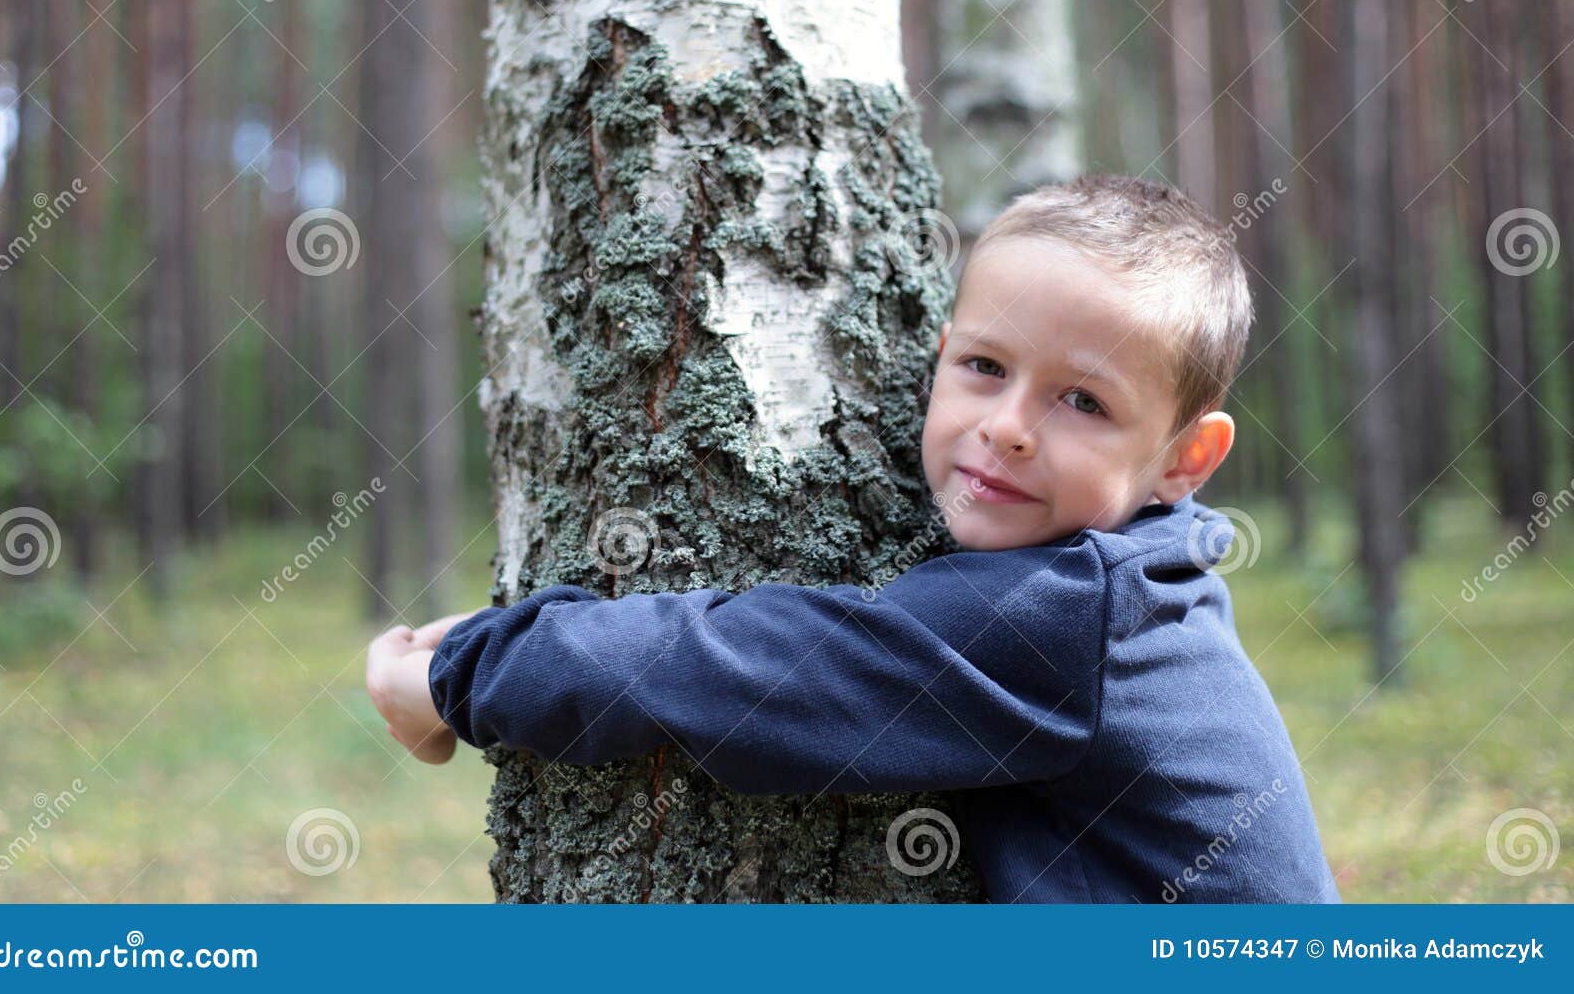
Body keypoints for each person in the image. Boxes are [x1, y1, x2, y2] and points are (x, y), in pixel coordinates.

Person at [366, 174, 1339, 903]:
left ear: (1184, 457)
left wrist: (468, 670)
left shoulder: (1077, 612)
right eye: (984, 365)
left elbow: (759, 670)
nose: (1007, 424)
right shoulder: (1135, 587)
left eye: (1082, 399)